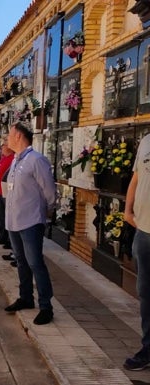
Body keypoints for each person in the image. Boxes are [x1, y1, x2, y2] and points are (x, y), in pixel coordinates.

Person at [3, 121, 56, 325]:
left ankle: (46, 306)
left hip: (31, 221)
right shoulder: (16, 160)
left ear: (18, 136)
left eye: (10, 134)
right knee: (22, 262)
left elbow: (49, 191)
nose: (7, 138)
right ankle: (26, 298)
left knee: (35, 263)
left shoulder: (36, 160)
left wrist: (46, 212)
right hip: (14, 220)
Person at [123, 132, 150, 371]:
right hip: (144, 231)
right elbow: (136, 178)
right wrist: (127, 210)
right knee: (146, 294)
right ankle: (148, 348)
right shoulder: (146, 141)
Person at [0, 137, 15, 252]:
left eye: (4, 145)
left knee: (8, 217)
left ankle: (10, 241)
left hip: (7, 193)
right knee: (1, 216)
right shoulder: (4, 158)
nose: (2, 147)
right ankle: (2, 236)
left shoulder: (13, 159)